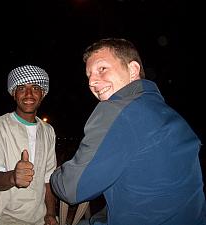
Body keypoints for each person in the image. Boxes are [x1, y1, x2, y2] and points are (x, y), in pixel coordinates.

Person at [50, 38, 206, 225]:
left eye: (102, 69)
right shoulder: (172, 117)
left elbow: (71, 188)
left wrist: (55, 173)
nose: (92, 81)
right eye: (88, 75)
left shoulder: (117, 110)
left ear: (133, 70)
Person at [0, 65, 59, 225]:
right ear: (13, 93)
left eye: (35, 88)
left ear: (43, 94)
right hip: (1, 216)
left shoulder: (48, 131)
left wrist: (51, 214)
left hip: (38, 217)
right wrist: (13, 177)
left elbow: (48, 178)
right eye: (21, 88)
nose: (29, 94)